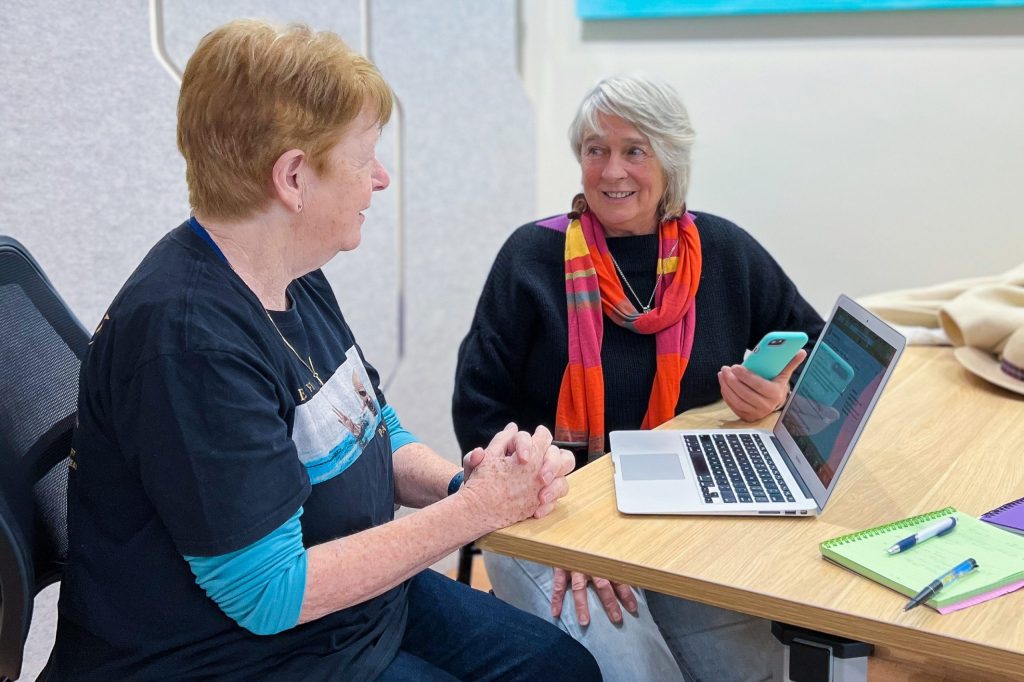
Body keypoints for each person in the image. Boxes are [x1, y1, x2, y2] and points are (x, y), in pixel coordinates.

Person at [49, 20, 601, 681]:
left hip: (344, 607)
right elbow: (269, 594)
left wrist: (466, 484)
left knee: (560, 669)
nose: (381, 178)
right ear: (292, 177)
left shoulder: (289, 271)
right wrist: (476, 512)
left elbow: (370, 427)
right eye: (364, 157)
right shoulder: (191, 340)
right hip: (233, 656)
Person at [453, 74, 825, 681]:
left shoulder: (725, 251)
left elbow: (817, 352)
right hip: (550, 511)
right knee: (635, 672)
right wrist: (564, 528)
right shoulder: (531, 257)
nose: (611, 171)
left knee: (751, 668)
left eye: (634, 150)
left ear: (669, 161)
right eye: (595, 150)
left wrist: (780, 395)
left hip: (683, 513)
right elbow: (480, 411)